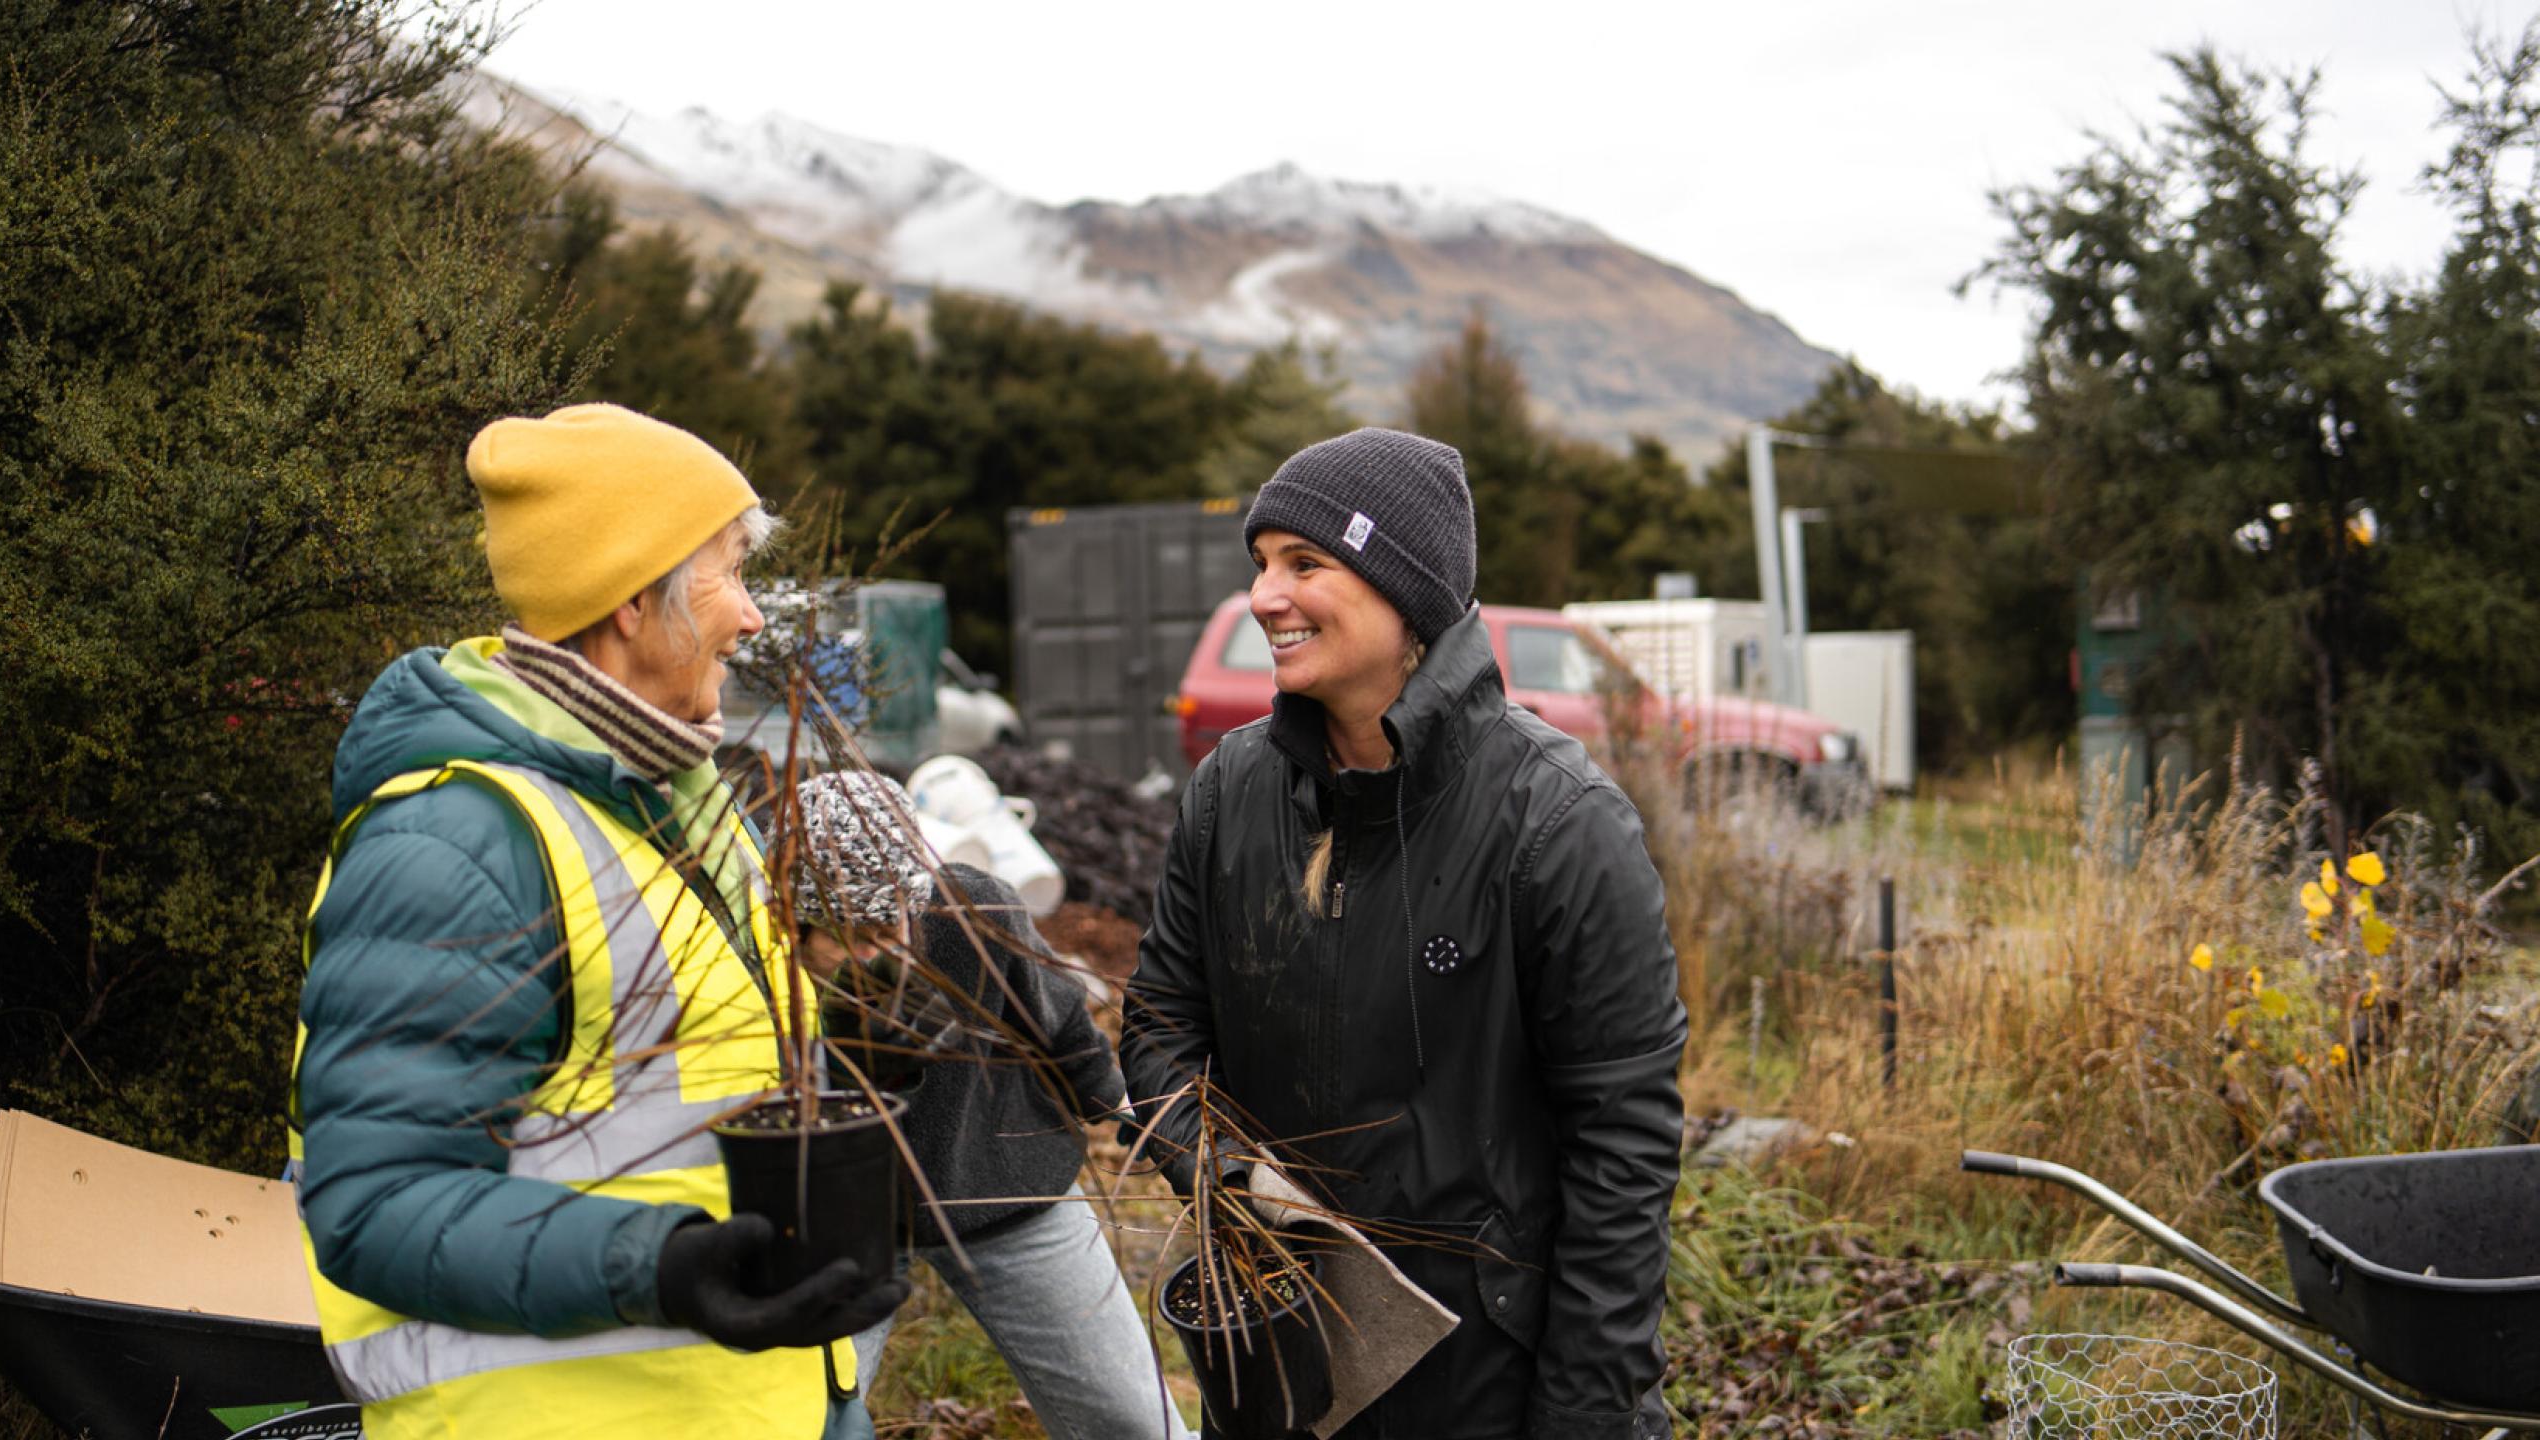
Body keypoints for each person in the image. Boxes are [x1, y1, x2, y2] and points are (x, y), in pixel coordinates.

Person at [288, 403, 908, 1440]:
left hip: (758, 1399)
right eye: (729, 573)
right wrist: (660, 1268)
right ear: (632, 601)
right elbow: (376, 1205)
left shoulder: (671, 795)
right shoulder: (457, 841)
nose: (752, 617)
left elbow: (675, 1069)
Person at [1121, 428, 1689, 1440]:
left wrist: (1584, 1415)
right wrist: (1235, 1188)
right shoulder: (1231, 795)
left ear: (1408, 590)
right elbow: (1161, 1023)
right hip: (1275, 1363)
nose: (1263, 597)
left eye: (1306, 563)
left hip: (1485, 1384)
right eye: (1259, 565)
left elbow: (1624, 1148)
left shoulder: (1556, 824)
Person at [794, 771, 1189, 1440]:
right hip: (844, 1220)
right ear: (795, 922)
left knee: (1137, 1422)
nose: (875, 951)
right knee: (797, 1423)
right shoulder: (759, 969)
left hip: (1002, 1182)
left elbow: (1061, 1023)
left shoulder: (971, 912)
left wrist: (1124, 1107)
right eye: (848, 935)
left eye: (887, 923)